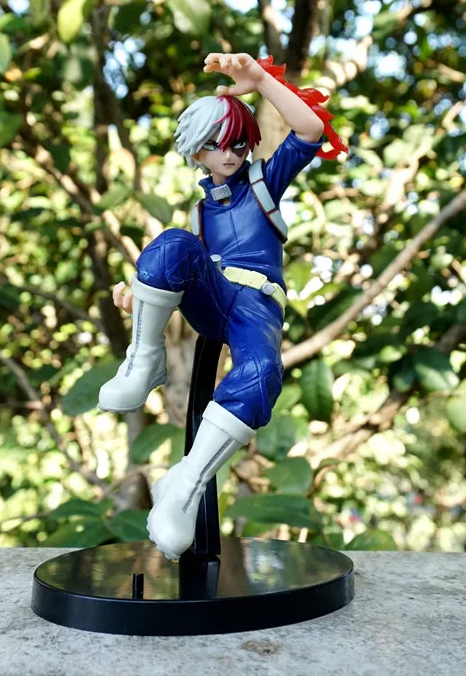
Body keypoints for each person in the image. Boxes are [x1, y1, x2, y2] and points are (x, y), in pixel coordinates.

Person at [98, 52, 344, 560]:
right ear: (195, 152)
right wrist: (139, 298)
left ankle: (182, 487)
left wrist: (260, 82)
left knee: (259, 376)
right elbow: (180, 269)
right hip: (214, 298)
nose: (227, 154)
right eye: (214, 144)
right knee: (171, 245)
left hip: (257, 305)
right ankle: (144, 361)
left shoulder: (263, 184)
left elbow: (310, 129)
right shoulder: (199, 211)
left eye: (235, 143)